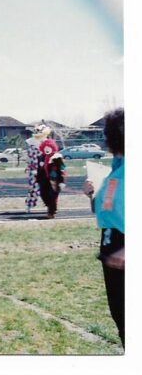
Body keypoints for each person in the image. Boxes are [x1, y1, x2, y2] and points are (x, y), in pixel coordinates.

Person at [82, 107, 124, 347]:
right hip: (111, 244)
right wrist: (92, 195)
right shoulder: (117, 166)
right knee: (122, 317)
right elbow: (106, 210)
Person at [36, 134, 66, 218]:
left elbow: (62, 169)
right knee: (43, 194)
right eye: (45, 148)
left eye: (48, 147)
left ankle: (51, 212)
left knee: (53, 195)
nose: (47, 149)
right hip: (44, 179)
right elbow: (39, 169)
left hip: (54, 179)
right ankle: (51, 207)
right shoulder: (41, 157)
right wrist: (37, 179)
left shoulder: (57, 157)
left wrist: (62, 181)